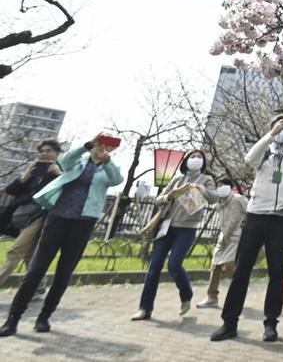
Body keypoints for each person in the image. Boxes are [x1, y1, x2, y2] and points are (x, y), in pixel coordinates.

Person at [0, 132, 123, 336]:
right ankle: (13, 319)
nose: (100, 148)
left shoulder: (109, 168)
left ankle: (44, 317)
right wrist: (87, 144)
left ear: (110, 149)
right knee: (35, 270)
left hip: (83, 223)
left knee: (63, 273)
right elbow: (65, 160)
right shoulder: (77, 161)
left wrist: (108, 161)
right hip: (57, 218)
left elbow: (117, 179)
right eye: (98, 145)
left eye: (105, 146)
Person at [210, 116, 283, 343]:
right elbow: (249, 158)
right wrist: (270, 135)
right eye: (279, 126)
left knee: (277, 273)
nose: (282, 130)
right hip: (256, 216)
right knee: (241, 271)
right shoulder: (265, 153)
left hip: (281, 220)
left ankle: (271, 323)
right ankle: (229, 322)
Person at [132, 149, 217, 320]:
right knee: (153, 267)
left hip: (187, 228)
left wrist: (199, 189)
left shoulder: (206, 179)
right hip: (166, 226)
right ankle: (145, 308)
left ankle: (186, 294)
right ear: (185, 161)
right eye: (192, 157)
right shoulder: (178, 179)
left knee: (174, 265)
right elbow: (159, 199)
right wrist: (168, 196)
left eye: (199, 157)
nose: (196, 160)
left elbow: (214, 198)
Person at [0, 140, 62, 287]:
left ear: (57, 153)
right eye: (42, 151)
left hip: (41, 216)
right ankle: (39, 287)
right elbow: (11, 191)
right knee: (31, 255)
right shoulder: (34, 172)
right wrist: (26, 175)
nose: (44, 154)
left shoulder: (63, 171)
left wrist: (59, 174)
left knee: (15, 251)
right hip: (23, 216)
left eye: (48, 151)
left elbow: (72, 191)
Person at [196, 178, 249, 308]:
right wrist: (199, 189)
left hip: (236, 236)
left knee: (229, 263)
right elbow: (202, 201)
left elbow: (252, 212)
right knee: (215, 266)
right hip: (222, 237)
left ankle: (240, 287)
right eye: (218, 185)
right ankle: (212, 297)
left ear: (230, 187)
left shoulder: (239, 199)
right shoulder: (219, 203)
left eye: (223, 185)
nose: (220, 187)